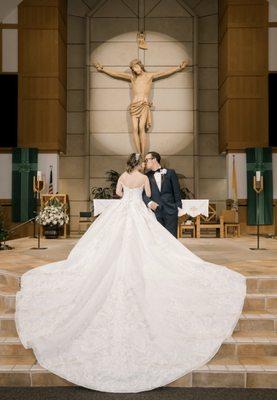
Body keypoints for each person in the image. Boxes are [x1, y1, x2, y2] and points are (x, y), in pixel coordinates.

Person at [15, 153, 246, 394]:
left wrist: (126, 190)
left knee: (109, 244)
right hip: (139, 213)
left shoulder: (124, 176)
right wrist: (142, 197)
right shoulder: (144, 178)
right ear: (140, 164)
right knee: (148, 244)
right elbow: (147, 196)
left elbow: (117, 194)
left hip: (122, 213)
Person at [94, 59, 188, 156]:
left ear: (140, 66)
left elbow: (164, 72)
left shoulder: (149, 76)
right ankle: (138, 153)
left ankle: (143, 154)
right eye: (133, 69)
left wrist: (178, 67)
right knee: (134, 128)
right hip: (134, 105)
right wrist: (103, 69)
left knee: (141, 127)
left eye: (135, 67)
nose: (134, 70)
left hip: (144, 104)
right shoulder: (132, 78)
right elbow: (117, 74)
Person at [143, 151, 181, 237]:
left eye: (147, 160)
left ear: (154, 159)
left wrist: (178, 207)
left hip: (171, 210)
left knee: (171, 238)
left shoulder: (170, 173)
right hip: (154, 211)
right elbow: (142, 194)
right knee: (156, 237)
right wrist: (149, 202)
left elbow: (177, 191)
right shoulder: (146, 176)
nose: (145, 162)